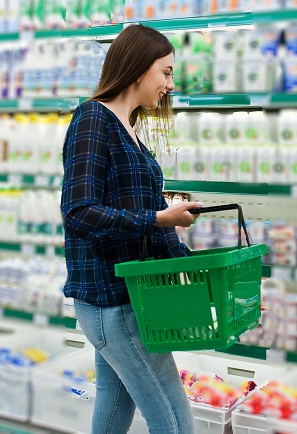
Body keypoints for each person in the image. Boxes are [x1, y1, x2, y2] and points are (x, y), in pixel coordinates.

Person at [61, 24, 200, 434]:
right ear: (139, 69)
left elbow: (151, 215)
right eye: (167, 72)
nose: (171, 85)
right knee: (175, 423)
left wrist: (200, 272)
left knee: (114, 407)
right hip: (111, 300)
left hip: (130, 297)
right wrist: (159, 218)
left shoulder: (131, 132)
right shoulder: (93, 120)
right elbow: (79, 212)